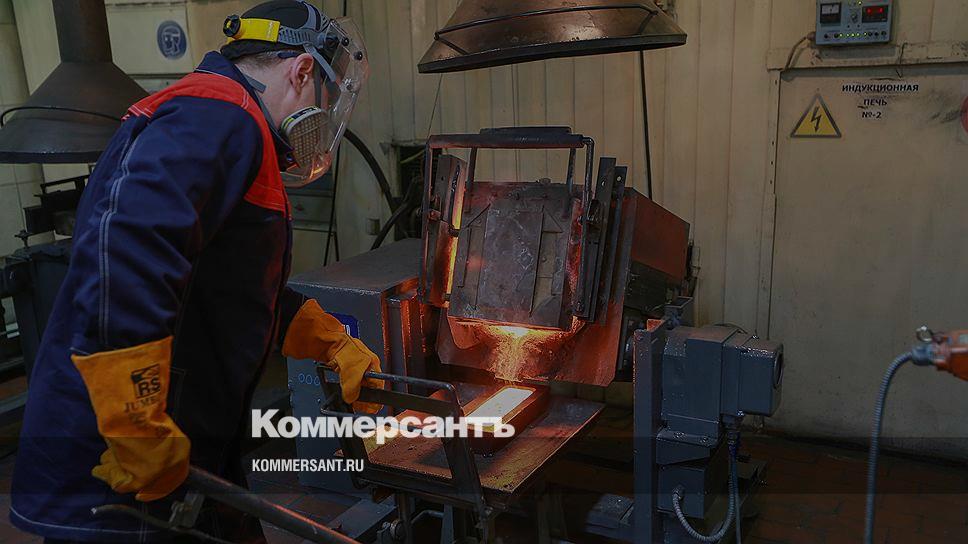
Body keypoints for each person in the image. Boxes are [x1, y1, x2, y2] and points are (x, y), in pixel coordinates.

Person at [9, 1, 381, 542]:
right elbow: (129, 251)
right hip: (126, 463)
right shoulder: (217, 113)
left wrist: (325, 338)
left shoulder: (233, 123)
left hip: (182, 443)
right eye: (325, 95)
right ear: (302, 71)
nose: (323, 118)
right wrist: (135, 420)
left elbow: (223, 283)